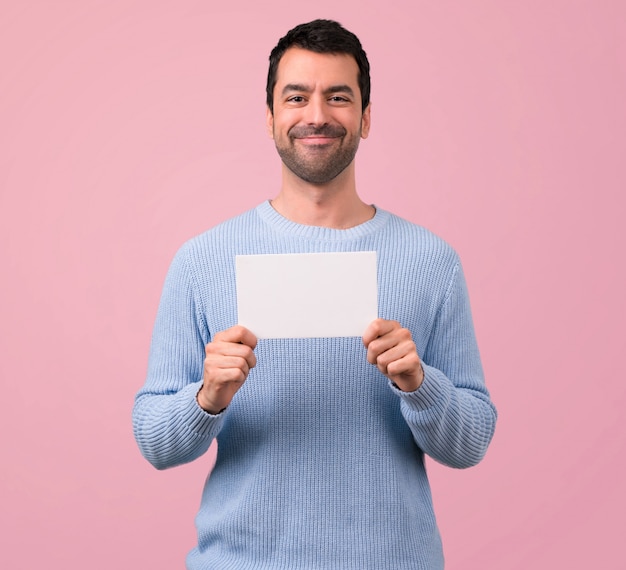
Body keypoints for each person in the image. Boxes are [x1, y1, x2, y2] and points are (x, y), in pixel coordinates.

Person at [133, 19, 497, 569]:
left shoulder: (431, 261)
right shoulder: (203, 260)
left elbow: (470, 446)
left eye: (339, 97)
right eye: (297, 97)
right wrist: (206, 397)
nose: (317, 115)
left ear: (366, 118)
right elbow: (155, 443)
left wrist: (420, 384)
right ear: (271, 118)